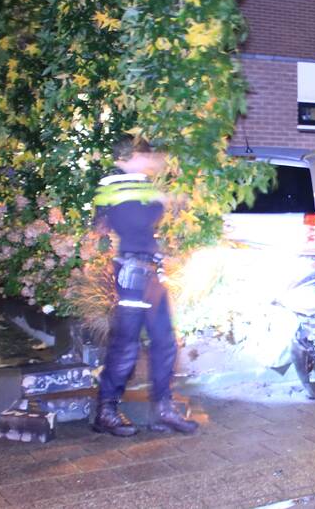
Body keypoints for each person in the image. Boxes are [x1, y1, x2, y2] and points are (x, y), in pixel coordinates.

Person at [90, 136, 198, 437]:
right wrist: (161, 201)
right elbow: (133, 222)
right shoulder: (115, 184)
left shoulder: (139, 184)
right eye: (147, 156)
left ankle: (163, 409)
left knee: (164, 341)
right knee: (127, 343)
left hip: (149, 272)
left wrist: (162, 200)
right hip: (132, 273)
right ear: (131, 156)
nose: (153, 161)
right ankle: (106, 411)